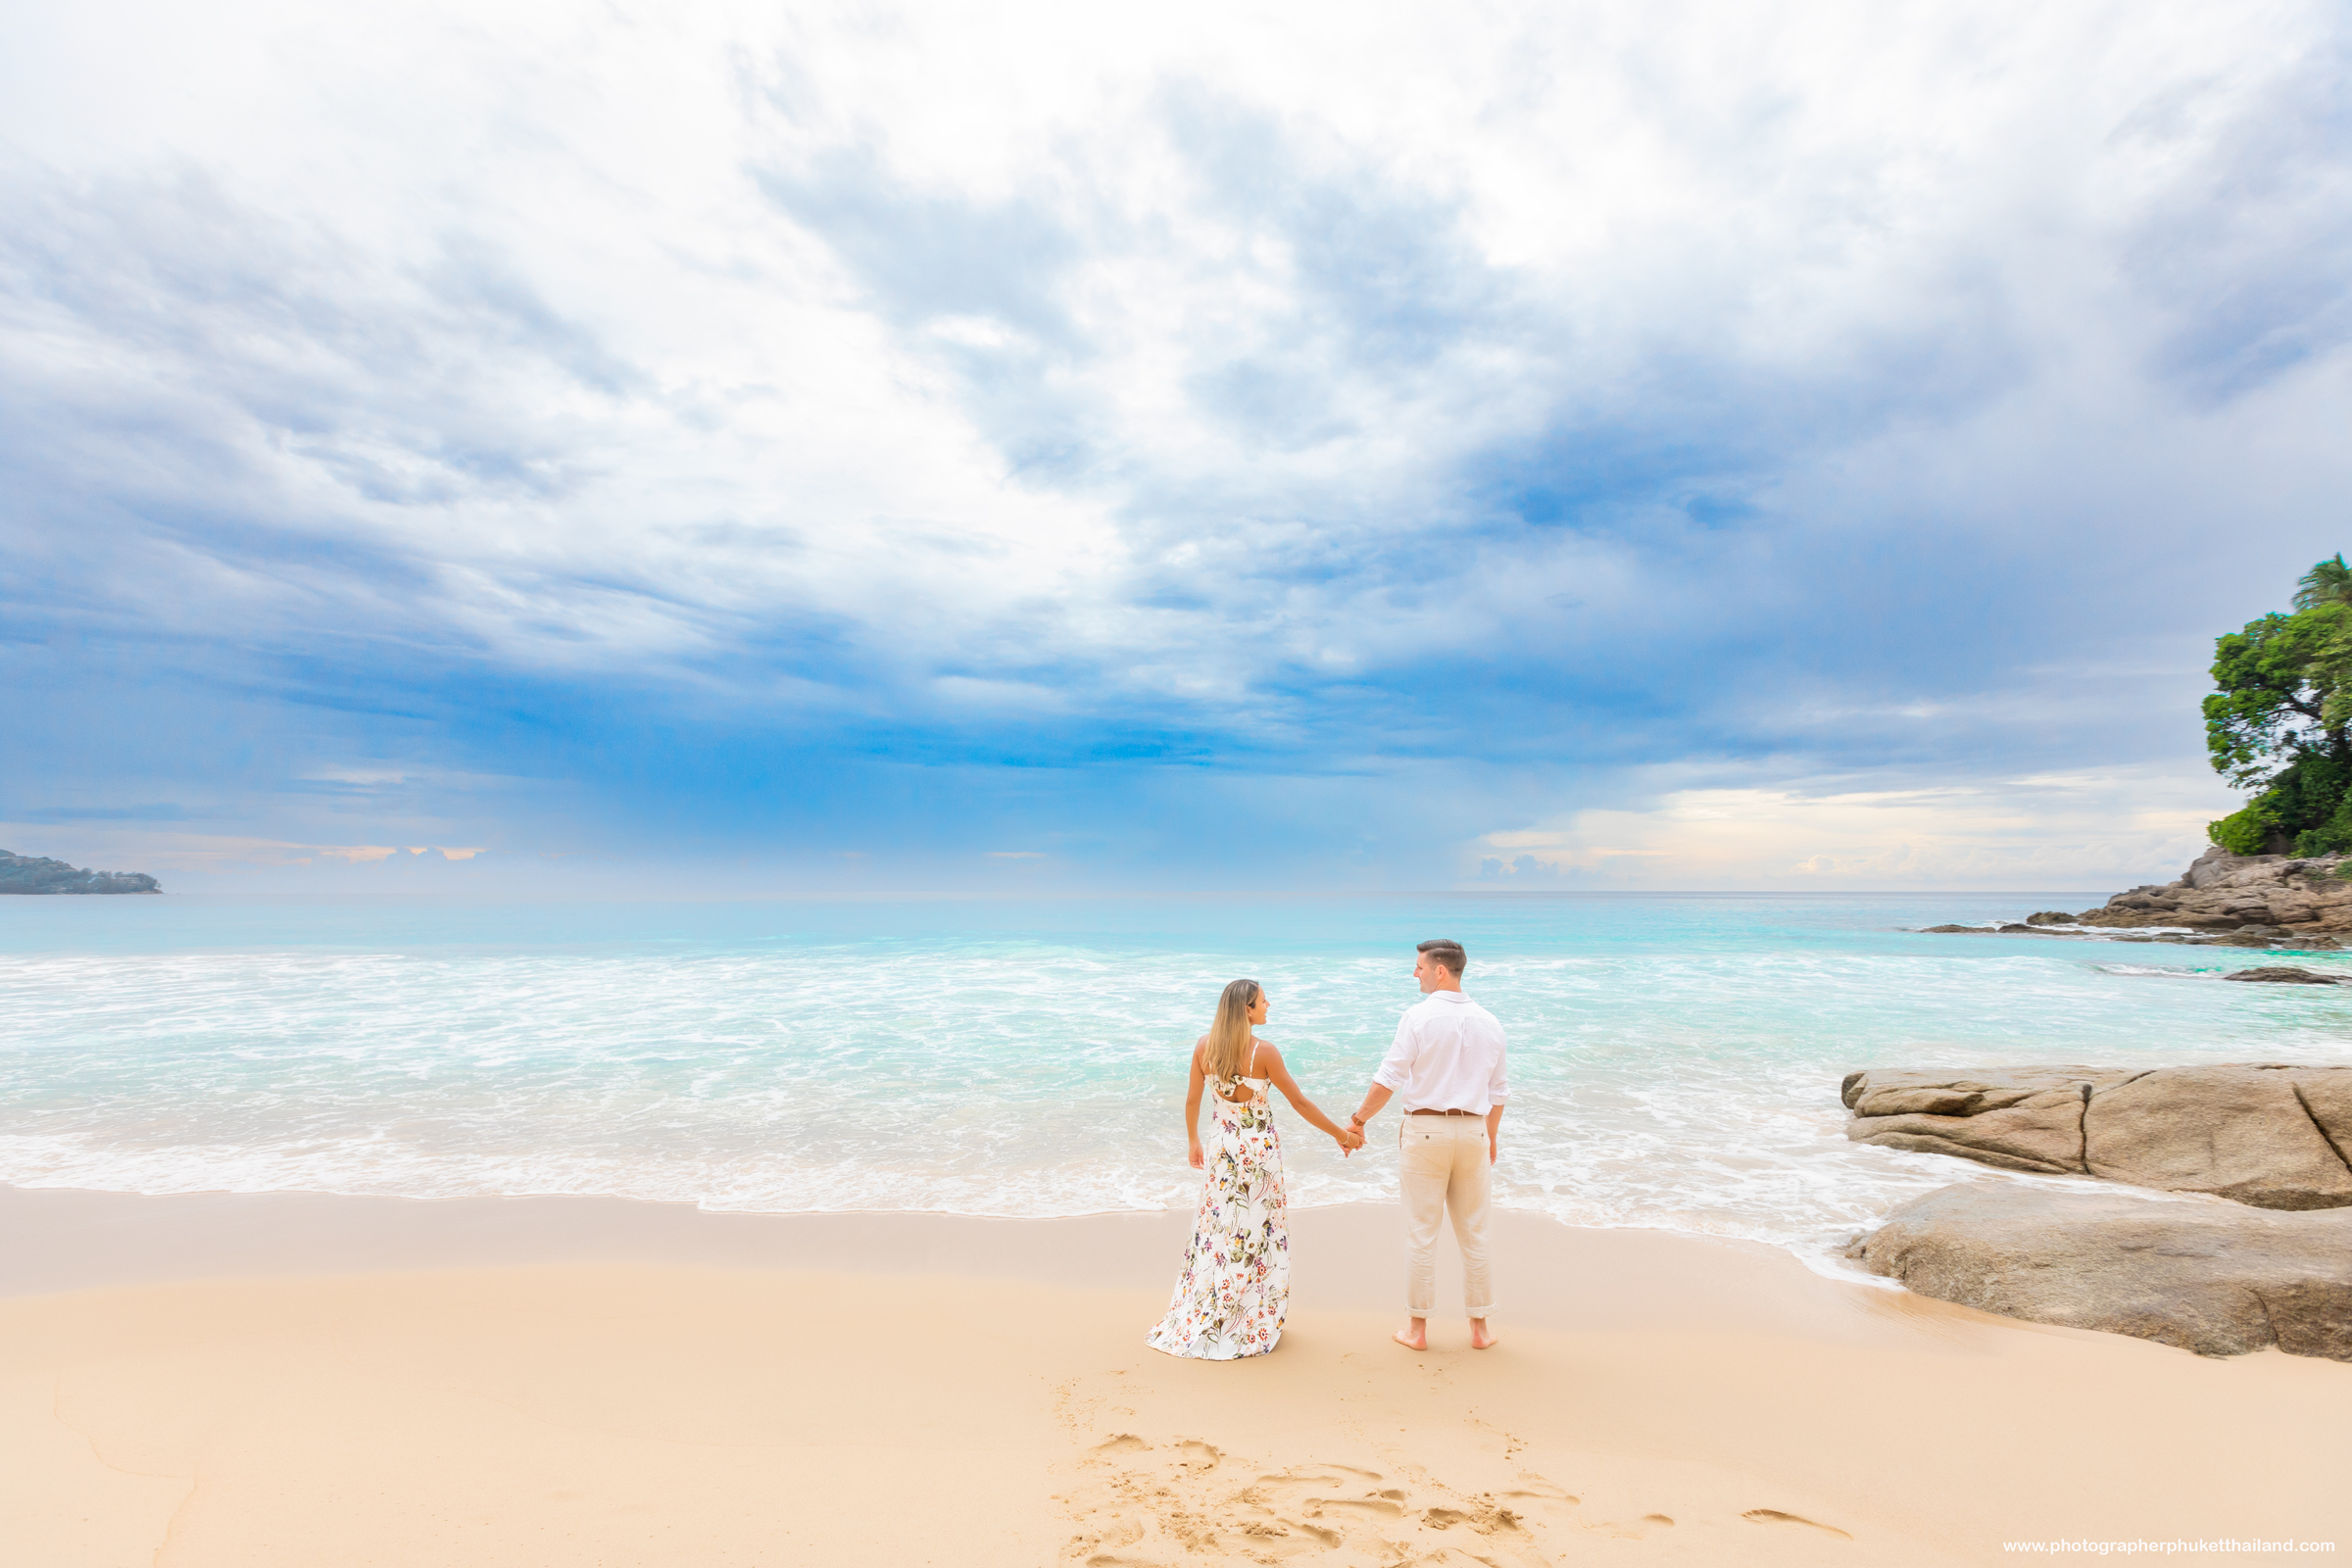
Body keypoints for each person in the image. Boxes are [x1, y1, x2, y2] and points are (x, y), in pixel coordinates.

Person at [1147, 977, 1366, 1359]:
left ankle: (1210, 1313)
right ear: (1247, 1009)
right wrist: (1341, 1136)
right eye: (1264, 1001)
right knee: (1256, 1233)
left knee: (1218, 1231)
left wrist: (1193, 1141)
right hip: (1258, 1155)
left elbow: (1192, 1100)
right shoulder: (1263, 1052)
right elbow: (1299, 1102)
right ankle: (1245, 1320)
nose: (1269, 1005)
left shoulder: (1204, 1047)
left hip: (1222, 1150)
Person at [1345, 939, 1507, 1351]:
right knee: (1476, 1233)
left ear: (1440, 970)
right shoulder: (1490, 1022)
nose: (1414, 973)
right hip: (1473, 1131)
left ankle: (1416, 1331)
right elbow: (1499, 1092)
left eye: (1419, 967)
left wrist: (1359, 1120)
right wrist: (1491, 1137)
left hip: (1426, 1132)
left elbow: (1389, 1077)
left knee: (1421, 1233)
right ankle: (1481, 1330)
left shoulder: (1417, 1018)